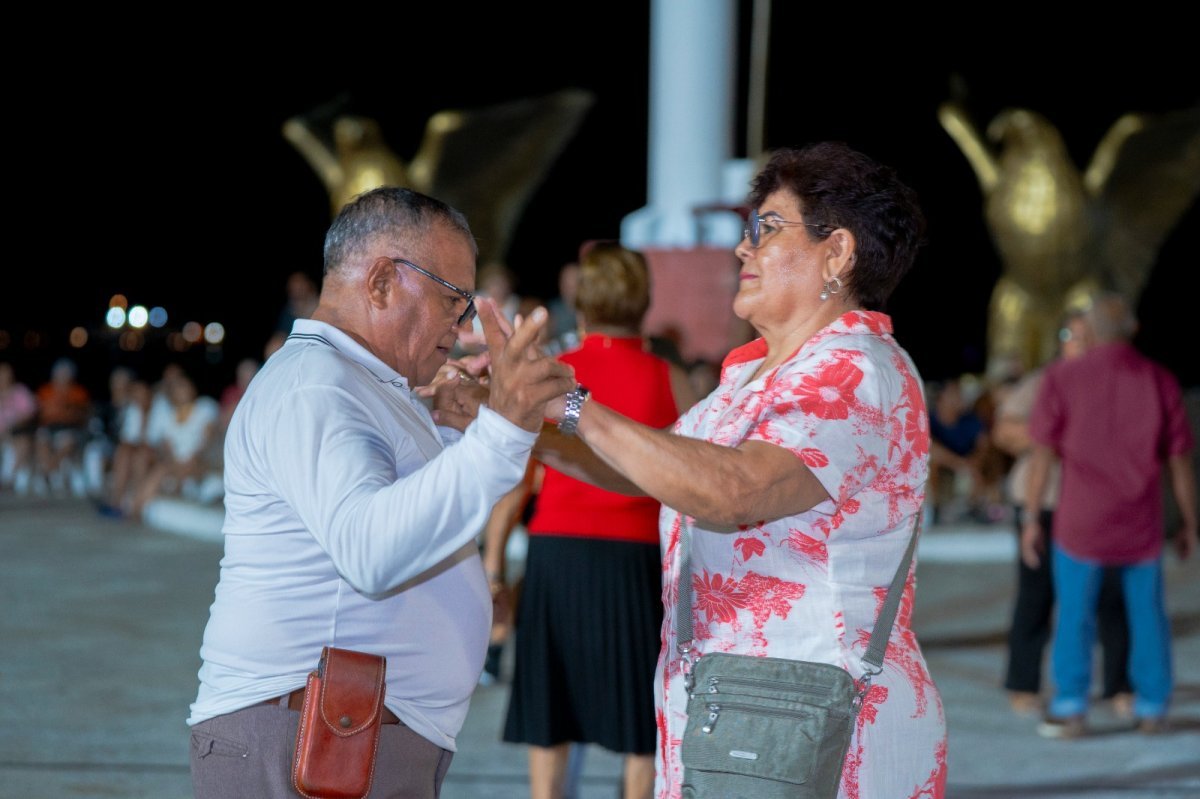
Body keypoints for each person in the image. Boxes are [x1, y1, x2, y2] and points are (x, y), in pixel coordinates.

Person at [528, 142, 946, 798]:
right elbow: (656, 471)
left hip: (820, 728)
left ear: (836, 253)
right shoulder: (748, 375)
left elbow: (732, 490)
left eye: (767, 229)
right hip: (743, 716)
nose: (743, 249)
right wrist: (512, 423)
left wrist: (572, 403)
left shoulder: (856, 368)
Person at [186, 186, 574, 799]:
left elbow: (404, 514)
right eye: (454, 298)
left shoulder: (361, 383)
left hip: (338, 730)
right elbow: (369, 550)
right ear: (383, 282)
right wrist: (500, 430)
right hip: (310, 735)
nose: (464, 322)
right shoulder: (316, 386)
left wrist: (457, 432)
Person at [493, 242, 697, 799]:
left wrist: (492, 570)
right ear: (643, 302)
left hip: (556, 555)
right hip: (635, 561)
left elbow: (514, 486)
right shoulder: (671, 379)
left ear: (580, 302)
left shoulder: (559, 375)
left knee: (551, 715)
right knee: (640, 728)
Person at [1021, 292, 1197, 739]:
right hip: (1140, 523)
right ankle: (1154, 706)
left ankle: (1071, 706)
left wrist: (1031, 518)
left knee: (1075, 613)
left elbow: (1042, 458)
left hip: (1081, 523)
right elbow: (1179, 463)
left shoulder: (1062, 378)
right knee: (1148, 613)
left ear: (1091, 331)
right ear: (1133, 330)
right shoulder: (1160, 379)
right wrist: (1191, 523)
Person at [992, 310, 1131, 717]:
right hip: (1044, 501)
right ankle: (1023, 682)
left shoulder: (1113, 382)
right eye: (1071, 334)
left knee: (1110, 594)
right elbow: (1004, 431)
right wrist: (1054, 437)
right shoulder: (1044, 380)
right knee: (1036, 592)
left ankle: (1120, 684)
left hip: (1097, 504)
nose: (1079, 342)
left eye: (1088, 335)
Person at [0, 361, 38, 492]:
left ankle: (9, 479)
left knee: (23, 442)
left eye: (7, 374)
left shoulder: (20, 391)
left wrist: (12, 426)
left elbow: (30, 413)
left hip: (18, 432)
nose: (4, 377)